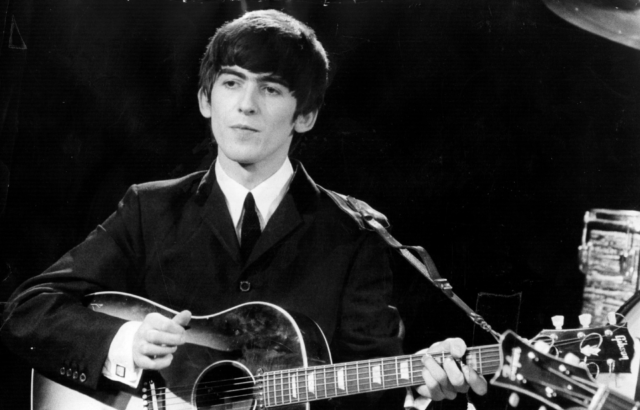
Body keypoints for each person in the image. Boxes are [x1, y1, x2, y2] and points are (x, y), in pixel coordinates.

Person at [1, 9, 486, 409]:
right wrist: (129, 342)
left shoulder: (356, 233)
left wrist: (423, 393)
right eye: (232, 83)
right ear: (205, 100)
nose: (246, 105)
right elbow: (27, 311)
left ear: (306, 115)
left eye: (271, 89)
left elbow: (372, 396)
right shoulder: (150, 207)